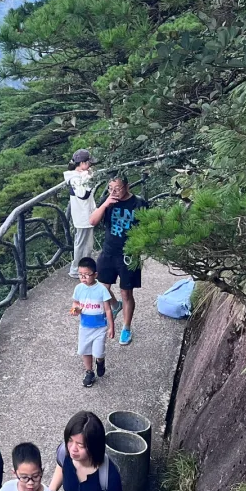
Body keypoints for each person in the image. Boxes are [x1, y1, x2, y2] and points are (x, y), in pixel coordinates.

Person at [90, 173, 148, 345]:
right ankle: (115, 305)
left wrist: (139, 248)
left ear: (127, 187)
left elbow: (147, 228)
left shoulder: (139, 203)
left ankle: (126, 327)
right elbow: (92, 221)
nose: (114, 191)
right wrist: (106, 203)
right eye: (110, 188)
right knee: (99, 286)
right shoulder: (108, 201)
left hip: (129, 253)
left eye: (118, 188)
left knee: (126, 292)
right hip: (109, 250)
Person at [70, 256, 115, 388]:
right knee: (85, 350)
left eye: (87, 275)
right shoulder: (79, 288)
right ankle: (89, 372)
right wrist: (75, 309)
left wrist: (111, 327)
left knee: (98, 352)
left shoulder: (102, 289)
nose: (83, 278)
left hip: (100, 327)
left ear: (95, 274)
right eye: (80, 275)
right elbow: (76, 303)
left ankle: (100, 361)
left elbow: (108, 309)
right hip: (85, 327)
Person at [64, 149, 97, 277]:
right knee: (82, 244)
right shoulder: (75, 178)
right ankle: (76, 269)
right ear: (82, 163)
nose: (90, 165)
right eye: (89, 162)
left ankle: (84, 268)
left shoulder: (79, 176)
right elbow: (82, 195)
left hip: (86, 214)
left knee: (87, 244)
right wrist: (87, 179)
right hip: (82, 216)